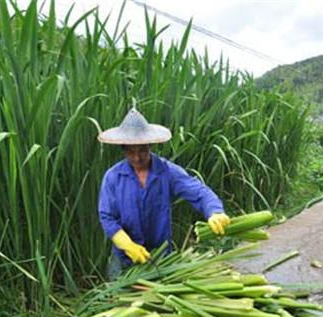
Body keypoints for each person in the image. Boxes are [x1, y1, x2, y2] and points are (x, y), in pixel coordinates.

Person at [97, 107, 230, 277]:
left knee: (158, 301)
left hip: (160, 258)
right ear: (123, 149)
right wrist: (126, 244)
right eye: (131, 152)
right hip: (124, 259)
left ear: (150, 146)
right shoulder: (113, 177)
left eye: (142, 151)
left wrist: (215, 211)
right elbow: (107, 217)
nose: (137, 158)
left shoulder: (166, 172)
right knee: (121, 301)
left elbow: (199, 192)